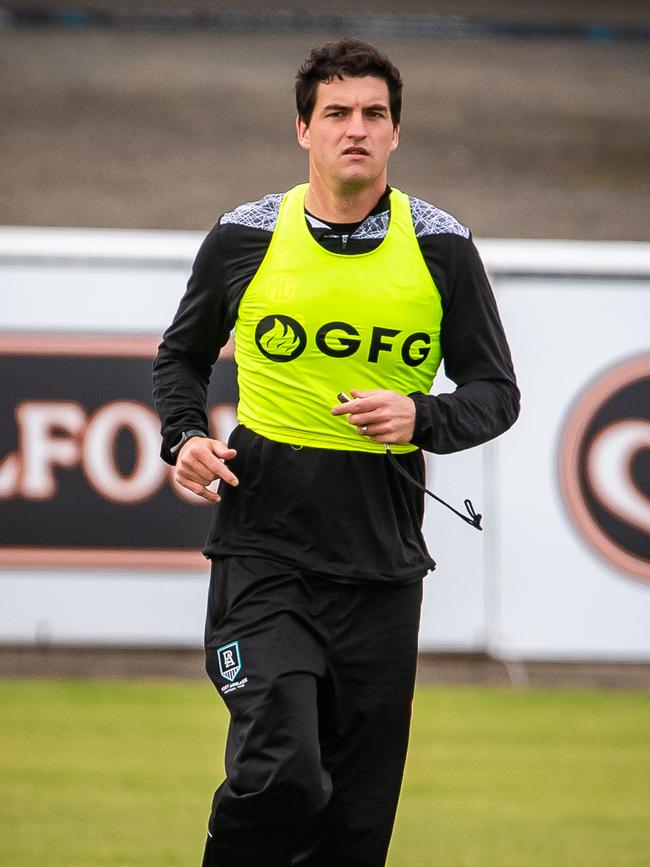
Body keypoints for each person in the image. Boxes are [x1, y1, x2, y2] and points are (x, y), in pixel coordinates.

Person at [153, 37, 519, 867]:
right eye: (337, 113)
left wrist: (421, 413)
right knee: (281, 770)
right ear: (302, 130)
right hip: (263, 551)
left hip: (382, 570)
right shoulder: (245, 235)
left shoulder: (442, 247)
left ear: (396, 133)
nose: (356, 128)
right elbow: (179, 359)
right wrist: (185, 437)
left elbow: (497, 392)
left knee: (355, 829)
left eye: (374, 115)